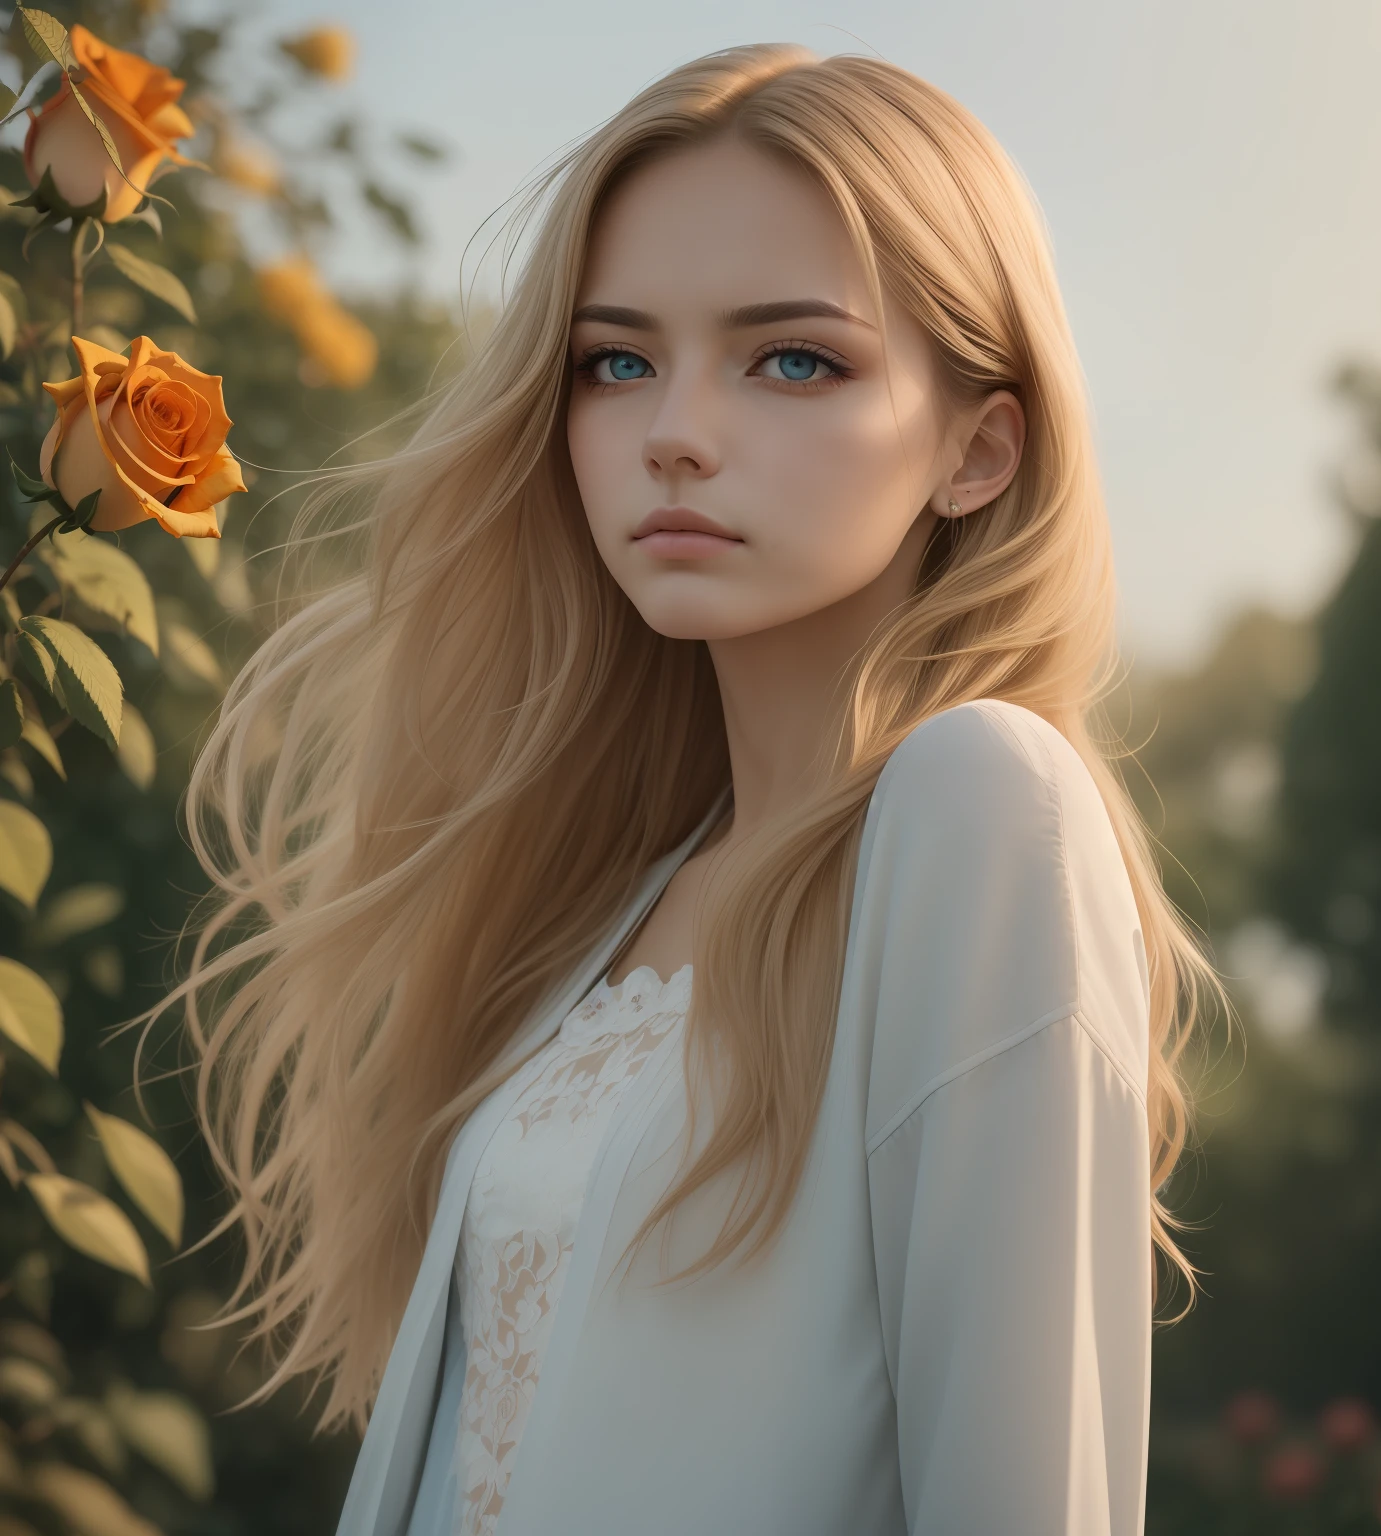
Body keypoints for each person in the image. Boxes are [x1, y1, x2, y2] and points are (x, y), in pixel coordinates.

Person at [151, 41, 1221, 1536]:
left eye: (795, 358)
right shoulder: (614, 900)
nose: (673, 431)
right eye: (617, 359)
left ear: (979, 449)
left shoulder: (983, 809)